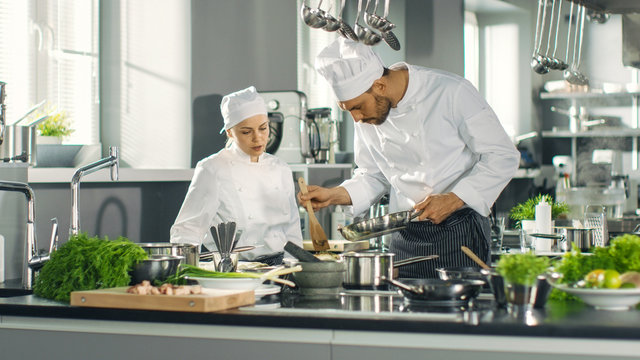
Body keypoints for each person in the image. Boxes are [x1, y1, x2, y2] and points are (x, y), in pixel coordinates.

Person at [299, 38, 520, 278]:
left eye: (357, 107)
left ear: (380, 86)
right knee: (401, 310)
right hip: (404, 236)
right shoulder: (368, 116)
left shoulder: (451, 92)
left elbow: (503, 155)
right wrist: (334, 195)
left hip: (459, 231)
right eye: (348, 109)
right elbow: (373, 175)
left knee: (456, 312)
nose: (356, 118)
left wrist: (455, 199)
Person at [170, 86, 303, 265]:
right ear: (230, 132)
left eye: (263, 128)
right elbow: (188, 229)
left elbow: (292, 229)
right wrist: (185, 272)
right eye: (247, 132)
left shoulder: (281, 169)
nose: (258, 138)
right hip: (234, 269)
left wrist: (296, 270)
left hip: (281, 269)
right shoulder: (213, 168)